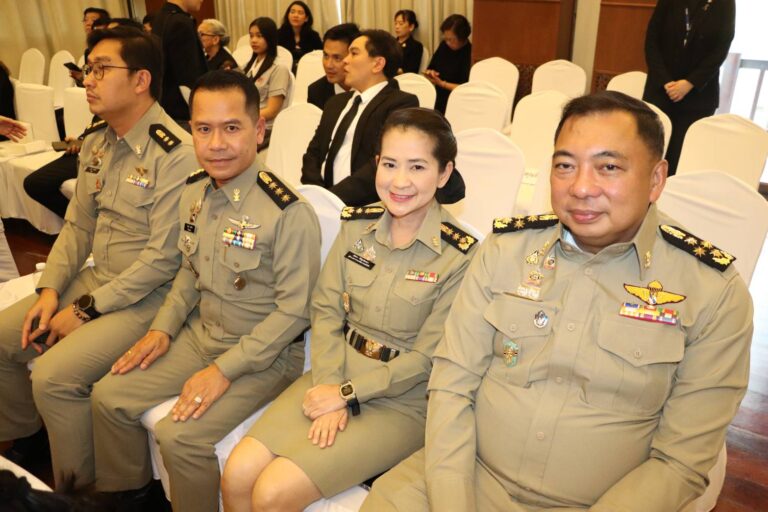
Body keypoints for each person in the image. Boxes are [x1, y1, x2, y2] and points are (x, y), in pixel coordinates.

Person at [363, 91, 753, 512]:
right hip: (466, 473)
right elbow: (452, 383)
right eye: (565, 166)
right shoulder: (505, 251)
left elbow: (681, 461)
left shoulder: (713, 291)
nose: (581, 188)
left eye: (608, 167)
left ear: (656, 179)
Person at [221, 107, 477, 512]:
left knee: (272, 493)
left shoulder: (460, 256)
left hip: (401, 399)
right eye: (389, 164)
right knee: (236, 474)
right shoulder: (356, 226)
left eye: (417, 167)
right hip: (333, 370)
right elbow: (325, 311)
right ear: (376, 163)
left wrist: (345, 395)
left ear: (444, 173)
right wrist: (329, 384)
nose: (399, 181)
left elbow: (427, 358)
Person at [90, 70, 321, 512]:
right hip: (201, 335)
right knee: (109, 397)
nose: (216, 144)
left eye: (231, 128)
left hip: (263, 356)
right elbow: (188, 271)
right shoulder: (195, 190)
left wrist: (224, 370)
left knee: (180, 438)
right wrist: (162, 329)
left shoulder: (287, 212)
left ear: (259, 129)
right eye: (203, 129)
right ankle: (132, 497)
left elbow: (295, 313)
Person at [0, 26, 197, 489]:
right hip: (97, 278)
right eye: (88, 69)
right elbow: (78, 226)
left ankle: (84, 491)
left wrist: (85, 309)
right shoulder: (97, 140)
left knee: (53, 377)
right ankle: (27, 433)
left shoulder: (178, 154)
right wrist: (51, 291)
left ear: (141, 80)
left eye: (101, 69)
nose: (87, 79)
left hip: (149, 297)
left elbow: (162, 260)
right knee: (6, 336)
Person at [301, 30, 419, 206]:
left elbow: (382, 163)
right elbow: (313, 153)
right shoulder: (335, 102)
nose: (345, 60)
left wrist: (331, 199)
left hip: (362, 206)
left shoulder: (400, 103)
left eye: (354, 53)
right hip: (321, 202)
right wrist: (317, 195)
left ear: (377, 64)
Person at [642, 0, 735, 175]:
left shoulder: (724, 3)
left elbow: (721, 49)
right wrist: (665, 81)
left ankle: (672, 192)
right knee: (650, 151)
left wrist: (690, 83)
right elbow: (651, 41)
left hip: (698, 97)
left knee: (682, 158)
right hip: (661, 91)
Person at [152, 0, 208, 121]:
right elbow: (188, 79)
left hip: (165, 107)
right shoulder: (180, 22)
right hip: (182, 111)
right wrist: (202, 111)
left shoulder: (160, 17)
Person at [242, 17, 291, 150]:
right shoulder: (247, 66)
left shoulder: (279, 68)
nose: (253, 40)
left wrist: (242, 118)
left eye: (259, 36)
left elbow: (272, 110)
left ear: (270, 38)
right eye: (251, 36)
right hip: (248, 123)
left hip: (265, 128)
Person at [424, 14, 472, 114]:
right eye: (445, 38)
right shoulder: (444, 46)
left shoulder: (470, 53)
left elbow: (466, 87)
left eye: (450, 39)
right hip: (439, 97)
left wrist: (442, 84)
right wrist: (431, 73)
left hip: (459, 101)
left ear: (462, 37)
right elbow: (431, 67)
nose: (447, 42)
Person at [307, 23, 360, 110]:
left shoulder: (370, 87)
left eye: (337, 58)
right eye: (326, 55)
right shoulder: (316, 91)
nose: (328, 65)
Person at [277, 1, 322, 73]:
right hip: (284, 72)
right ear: (288, 16)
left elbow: (320, 54)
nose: (295, 15)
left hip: (308, 71)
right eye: (292, 12)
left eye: (300, 13)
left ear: (306, 18)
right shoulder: (278, 34)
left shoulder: (313, 36)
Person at [394, 10, 423, 74]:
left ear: (411, 27)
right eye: (395, 23)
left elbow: (411, 70)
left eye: (401, 24)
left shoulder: (416, 46)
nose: (397, 27)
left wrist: (390, 69)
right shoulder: (390, 43)